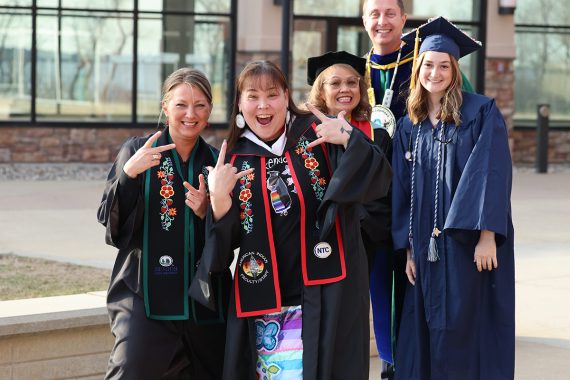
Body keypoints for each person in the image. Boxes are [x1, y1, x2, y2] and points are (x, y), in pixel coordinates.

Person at [189, 60, 392, 380]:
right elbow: (220, 253)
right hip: (267, 302)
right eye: (252, 96)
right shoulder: (233, 161)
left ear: (287, 97)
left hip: (328, 293)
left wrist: (350, 140)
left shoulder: (318, 134)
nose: (263, 105)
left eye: (272, 94)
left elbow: (377, 180)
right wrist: (218, 204)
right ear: (240, 105)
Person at [392, 17, 515, 379]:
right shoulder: (408, 126)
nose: (435, 72)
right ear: (418, 69)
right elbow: (402, 188)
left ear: (455, 70)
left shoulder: (480, 112)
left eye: (444, 65)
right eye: (428, 65)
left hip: (467, 247)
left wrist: (487, 235)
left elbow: (491, 174)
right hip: (427, 254)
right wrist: (410, 247)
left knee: (467, 325)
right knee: (426, 329)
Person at [362, 2, 475, 375]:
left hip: (424, 193)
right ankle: (391, 361)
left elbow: (469, 121)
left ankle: (423, 358)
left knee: (418, 281)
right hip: (372, 200)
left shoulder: (430, 60)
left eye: (390, 12)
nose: (382, 21)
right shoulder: (352, 73)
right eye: (374, 13)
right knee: (381, 283)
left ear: (403, 18)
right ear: (364, 19)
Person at [97, 68, 230, 379]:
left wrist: (206, 213)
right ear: (165, 107)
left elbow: (231, 238)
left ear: (209, 111)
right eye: (181, 104)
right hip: (144, 292)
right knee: (131, 367)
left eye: (200, 105)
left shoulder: (215, 163)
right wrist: (129, 175)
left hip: (203, 300)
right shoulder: (136, 151)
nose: (190, 114)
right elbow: (111, 223)